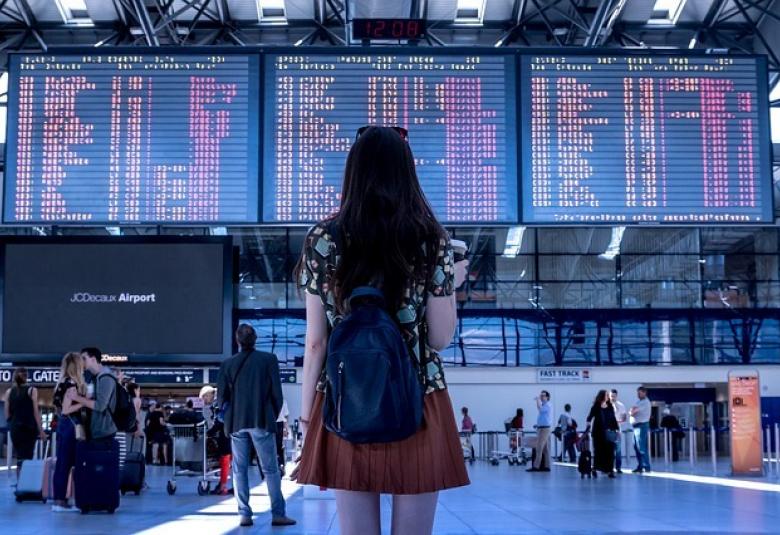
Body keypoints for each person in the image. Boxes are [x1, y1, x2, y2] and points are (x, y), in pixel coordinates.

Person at [293, 125, 470, 535]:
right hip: (419, 399)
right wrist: (449, 286)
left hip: (345, 399)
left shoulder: (323, 238)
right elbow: (441, 339)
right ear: (407, 173)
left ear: (353, 172)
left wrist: (306, 417)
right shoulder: (431, 239)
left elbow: (317, 341)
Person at [218, 324, 295, 528]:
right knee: (270, 469)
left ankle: (244, 514)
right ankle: (278, 514)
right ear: (255, 339)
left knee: (240, 469)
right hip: (261, 420)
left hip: (236, 423)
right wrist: (273, 415)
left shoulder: (227, 364)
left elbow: (221, 398)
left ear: (237, 340)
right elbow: (277, 394)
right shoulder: (268, 360)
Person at [51, 352, 87, 512]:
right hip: (72, 426)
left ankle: (59, 499)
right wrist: (84, 402)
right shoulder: (71, 384)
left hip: (63, 425)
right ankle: (61, 501)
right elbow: (66, 409)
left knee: (62, 463)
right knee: (70, 464)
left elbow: (60, 409)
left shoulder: (60, 384)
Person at [67, 348, 117, 446]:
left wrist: (76, 398)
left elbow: (100, 406)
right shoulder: (93, 378)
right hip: (95, 432)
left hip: (103, 433)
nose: (81, 362)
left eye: (84, 358)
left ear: (93, 359)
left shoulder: (106, 378)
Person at [3, 368, 46, 478]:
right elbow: (36, 412)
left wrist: (13, 422)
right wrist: (41, 431)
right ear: (26, 376)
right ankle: (26, 485)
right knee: (27, 457)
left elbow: (7, 414)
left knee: (20, 457)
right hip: (29, 428)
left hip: (15, 429)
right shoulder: (32, 390)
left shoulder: (9, 392)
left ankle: (20, 485)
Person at [200, 385, 231, 495]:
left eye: (204, 397)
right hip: (229, 433)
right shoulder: (221, 401)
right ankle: (225, 485)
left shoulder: (219, 403)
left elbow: (220, 422)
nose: (204, 400)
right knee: (228, 460)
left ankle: (223, 486)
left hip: (226, 435)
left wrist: (209, 433)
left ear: (209, 394)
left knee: (225, 459)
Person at [586, 390, 619, 478]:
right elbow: (589, 417)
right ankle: (595, 468)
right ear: (602, 396)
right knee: (598, 452)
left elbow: (613, 418)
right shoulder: (596, 406)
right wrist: (588, 424)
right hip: (598, 433)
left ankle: (610, 470)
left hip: (608, 432)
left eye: (608, 395)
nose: (608, 396)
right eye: (606, 395)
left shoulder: (610, 406)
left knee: (610, 452)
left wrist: (617, 430)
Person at [528, 391, 553, 473]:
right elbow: (543, 418)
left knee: (539, 447)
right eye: (540, 395)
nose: (541, 397)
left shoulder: (548, 405)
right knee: (545, 449)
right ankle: (547, 466)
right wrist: (537, 424)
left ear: (547, 397)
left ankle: (536, 466)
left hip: (545, 429)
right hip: (542, 428)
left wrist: (538, 401)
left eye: (543, 396)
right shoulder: (544, 405)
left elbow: (540, 410)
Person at [630, 386, 652, 473]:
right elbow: (632, 410)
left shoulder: (645, 402)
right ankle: (640, 466)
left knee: (641, 447)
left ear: (644, 393)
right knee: (636, 447)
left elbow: (633, 411)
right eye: (637, 393)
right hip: (635, 427)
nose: (638, 394)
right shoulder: (639, 401)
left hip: (641, 426)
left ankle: (646, 467)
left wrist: (632, 411)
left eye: (639, 393)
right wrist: (632, 411)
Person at [610, 389, 629, 474]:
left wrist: (617, 422)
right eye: (611, 396)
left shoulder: (621, 405)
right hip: (608, 431)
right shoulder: (605, 405)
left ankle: (618, 467)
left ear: (616, 396)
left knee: (618, 450)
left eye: (614, 396)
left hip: (617, 430)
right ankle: (608, 467)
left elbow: (624, 418)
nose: (612, 398)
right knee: (608, 449)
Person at [276, 399, 290, 474]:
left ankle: (281, 466)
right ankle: (280, 466)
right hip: (276, 424)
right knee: (278, 447)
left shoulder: (283, 400)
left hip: (278, 424)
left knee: (279, 447)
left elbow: (286, 415)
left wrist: (286, 429)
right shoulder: (282, 399)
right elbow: (286, 415)